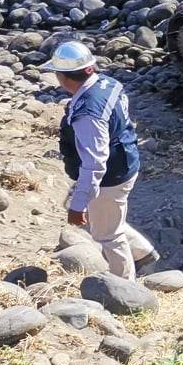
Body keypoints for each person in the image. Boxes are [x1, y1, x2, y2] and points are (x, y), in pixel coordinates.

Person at [49, 39, 154, 278]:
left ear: (63, 78)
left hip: (111, 175)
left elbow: (95, 162)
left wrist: (78, 205)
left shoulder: (88, 113)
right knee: (109, 218)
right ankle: (144, 254)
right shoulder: (109, 83)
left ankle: (126, 290)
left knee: (108, 235)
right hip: (126, 159)